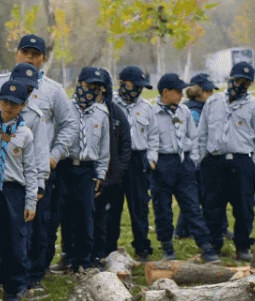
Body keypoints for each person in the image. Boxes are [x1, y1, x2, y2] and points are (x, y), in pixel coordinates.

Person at [0, 36, 74, 289]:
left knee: (36, 224)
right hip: (0, 171)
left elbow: (68, 125)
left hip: (37, 168)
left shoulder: (53, 90)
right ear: (16, 54)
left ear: (43, 58)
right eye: (26, 52)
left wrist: (54, 155)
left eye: (36, 54)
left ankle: (32, 276)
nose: (30, 58)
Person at [198, 62, 255, 261]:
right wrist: (202, 158)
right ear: (230, 79)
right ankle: (214, 245)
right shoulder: (213, 103)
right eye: (238, 80)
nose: (240, 85)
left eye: (246, 82)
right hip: (215, 162)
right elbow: (202, 132)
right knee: (213, 205)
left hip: (242, 162)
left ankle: (243, 246)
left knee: (243, 207)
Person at [151, 73, 218, 262]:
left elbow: (194, 136)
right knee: (162, 208)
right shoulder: (152, 113)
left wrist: (192, 160)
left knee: (192, 205)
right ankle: (167, 247)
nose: (181, 95)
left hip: (184, 163)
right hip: (163, 162)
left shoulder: (184, 111)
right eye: (177, 91)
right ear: (165, 92)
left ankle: (205, 245)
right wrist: (154, 161)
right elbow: (150, 139)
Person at [0, 80, 39, 301]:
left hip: (14, 191)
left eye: (15, 104)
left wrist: (30, 201)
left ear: (23, 106)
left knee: (15, 242)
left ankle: (12, 290)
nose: (9, 108)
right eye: (5, 102)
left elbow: (31, 169)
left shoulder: (25, 134)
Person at [56, 67, 111, 272]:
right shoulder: (64, 108)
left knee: (85, 215)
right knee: (63, 214)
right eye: (88, 86)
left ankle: (83, 260)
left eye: (96, 88)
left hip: (87, 170)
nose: (91, 91)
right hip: (65, 166)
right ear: (79, 84)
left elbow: (104, 149)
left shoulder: (101, 113)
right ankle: (67, 256)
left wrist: (101, 174)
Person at [114, 66, 158, 261]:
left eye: (141, 87)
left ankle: (142, 248)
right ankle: (109, 250)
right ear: (122, 83)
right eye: (134, 85)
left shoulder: (146, 107)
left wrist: (152, 159)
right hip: (115, 160)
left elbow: (153, 136)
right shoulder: (109, 104)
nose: (138, 90)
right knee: (111, 207)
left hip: (137, 160)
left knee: (139, 207)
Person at [92, 71, 133, 263]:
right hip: (87, 176)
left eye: (99, 88)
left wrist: (116, 173)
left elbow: (126, 145)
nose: (95, 92)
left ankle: (109, 252)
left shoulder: (116, 113)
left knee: (112, 216)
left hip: (113, 176)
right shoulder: (78, 112)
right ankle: (83, 254)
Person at [175, 74, 216, 239]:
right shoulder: (193, 111)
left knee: (204, 195)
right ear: (199, 91)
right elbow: (195, 137)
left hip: (206, 158)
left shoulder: (204, 107)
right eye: (208, 90)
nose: (211, 94)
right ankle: (181, 231)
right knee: (195, 197)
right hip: (196, 160)